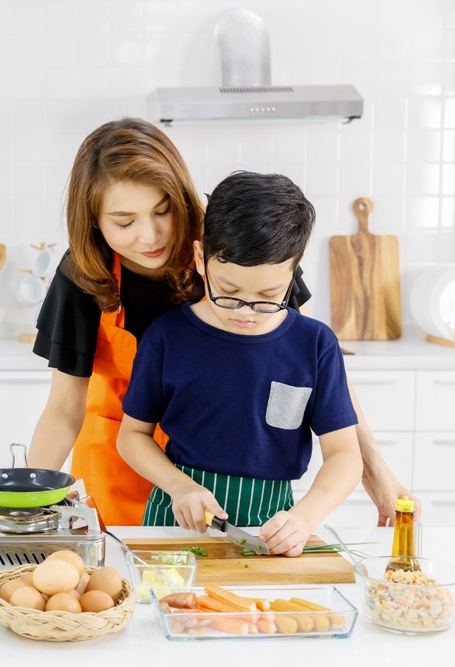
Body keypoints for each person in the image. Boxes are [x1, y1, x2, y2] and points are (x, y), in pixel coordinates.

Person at [27, 117, 417, 527]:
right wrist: (24, 501)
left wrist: (373, 466)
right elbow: (63, 408)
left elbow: (306, 359)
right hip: (122, 459)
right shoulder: (84, 274)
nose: (150, 236)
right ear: (92, 219)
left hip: (222, 470)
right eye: (124, 222)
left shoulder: (235, 244)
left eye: (163, 211)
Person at [116, 172, 362, 556]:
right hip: (178, 520)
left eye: (267, 295)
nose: (246, 313)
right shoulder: (168, 336)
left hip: (272, 524)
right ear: (201, 258)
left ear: (294, 270)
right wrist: (180, 487)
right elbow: (132, 436)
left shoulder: (314, 344)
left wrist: (305, 518)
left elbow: (345, 455)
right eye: (228, 293)